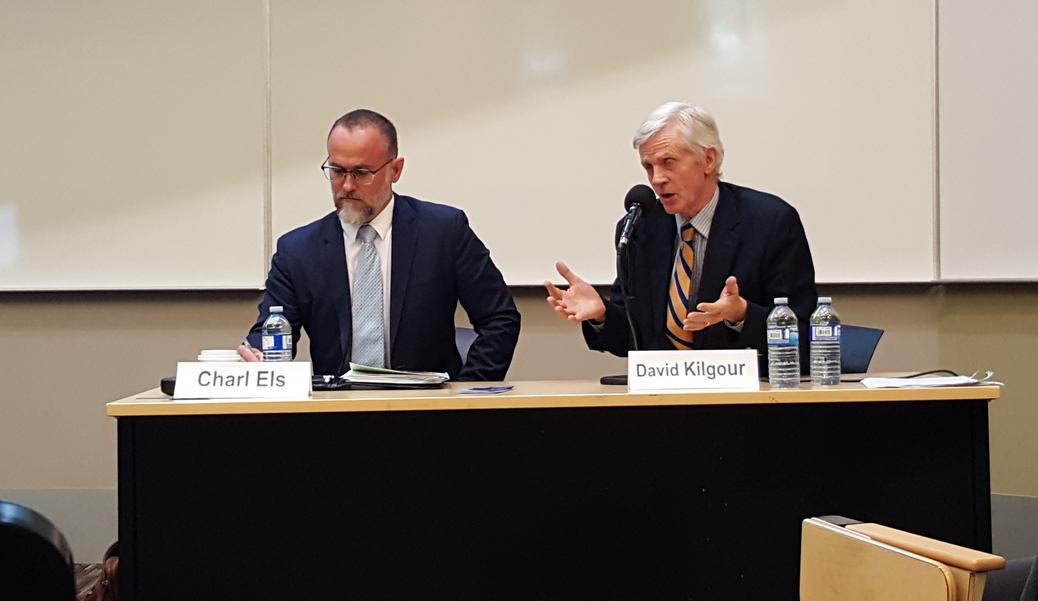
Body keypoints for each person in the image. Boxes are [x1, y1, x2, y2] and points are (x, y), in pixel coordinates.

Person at [239, 109, 520, 380]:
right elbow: (271, 331)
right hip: (335, 414)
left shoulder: (443, 232)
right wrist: (257, 359)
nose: (347, 186)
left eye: (361, 172)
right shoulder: (298, 250)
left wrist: (466, 391)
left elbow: (500, 319)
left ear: (395, 170)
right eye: (337, 171)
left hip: (428, 412)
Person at [545, 101, 816, 374]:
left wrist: (741, 314)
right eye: (648, 167)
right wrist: (602, 313)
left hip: (746, 402)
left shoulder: (770, 222)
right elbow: (635, 339)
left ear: (708, 160)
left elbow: (803, 334)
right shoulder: (640, 229)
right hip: (662, 403)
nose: (657, 179)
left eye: (668, 162)